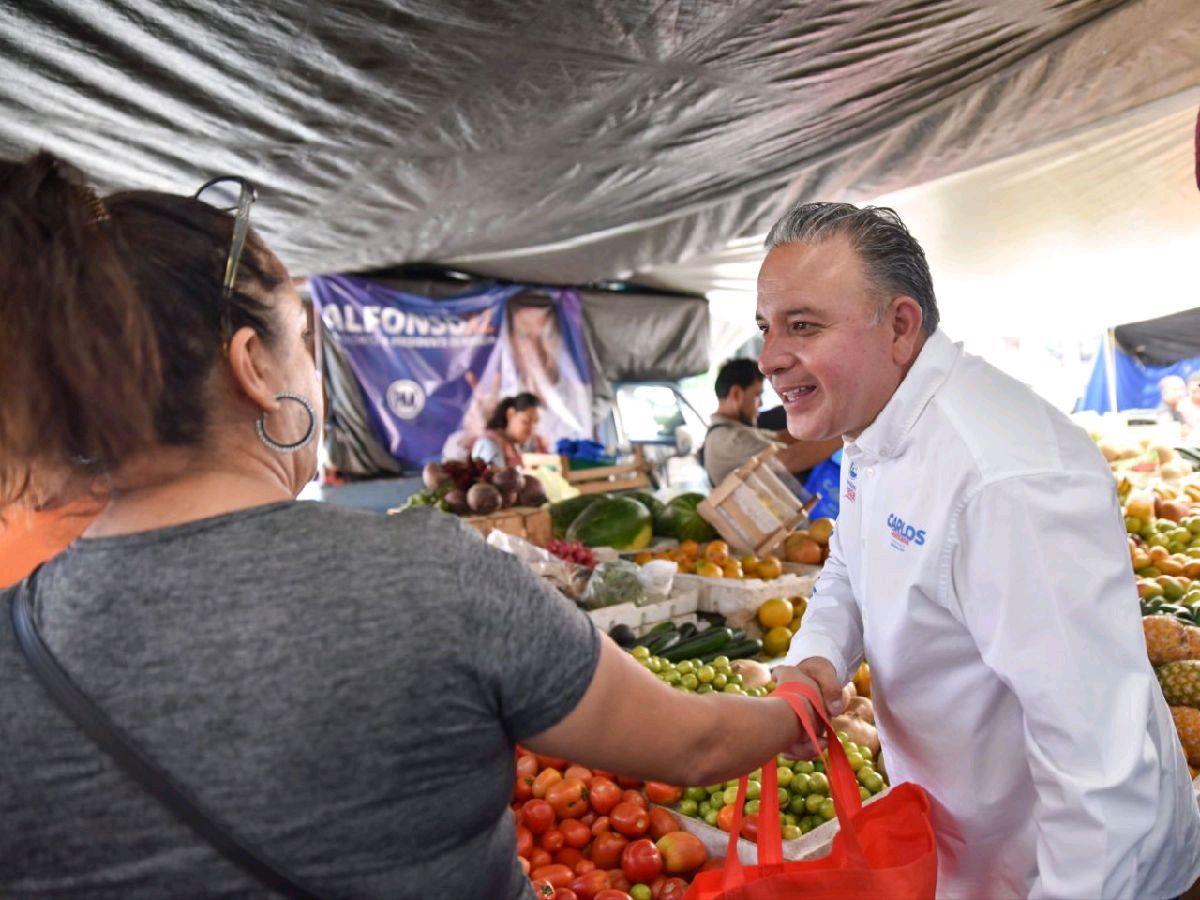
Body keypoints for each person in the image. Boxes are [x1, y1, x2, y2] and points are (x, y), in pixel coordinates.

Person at [0, 152, 813, 899]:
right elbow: (694, 748)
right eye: (306, 344)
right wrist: (797, 706)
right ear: (251, 366)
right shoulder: (433, 576)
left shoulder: (16, 632)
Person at [758, 201, 1200, 899]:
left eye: (803, 325)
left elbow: (1097, 765)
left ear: (900, 327)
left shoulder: (1006, 476)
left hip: (1068, 872)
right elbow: (850, 563)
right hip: (966, 843)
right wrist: (817, 657)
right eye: (767, 327)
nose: (769, 358)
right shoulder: (875, 425)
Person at [701, 358, 840, 486]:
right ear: (736, 394)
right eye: (757, 395)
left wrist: (822, 424)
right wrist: (844, 430)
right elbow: (789, 459)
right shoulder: (727, 439)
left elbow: (781, 438)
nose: (760, 403)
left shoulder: (733, 430)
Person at [470, 392, 550, 468]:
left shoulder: (514, 447)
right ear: (510, 414)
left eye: (535, 424)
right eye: (526, 421)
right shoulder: (489, 444)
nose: (531, 430)